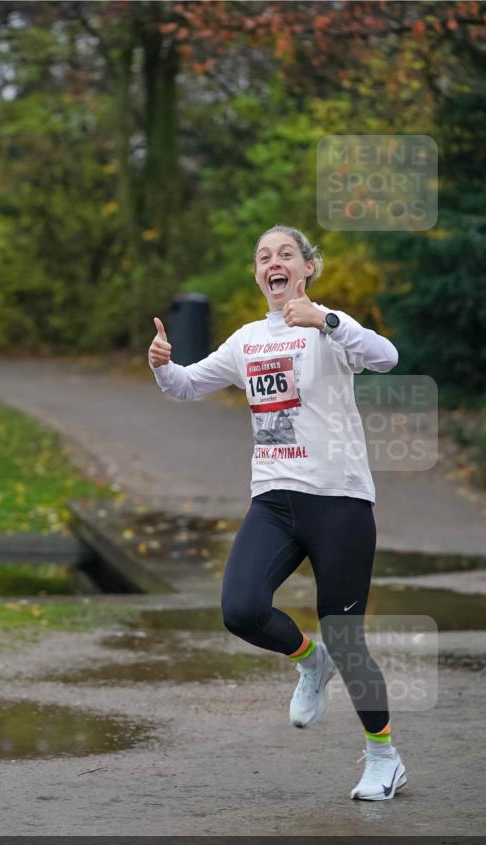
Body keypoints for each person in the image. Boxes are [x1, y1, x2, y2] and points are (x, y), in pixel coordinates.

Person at [148, 224, 405, 802]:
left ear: (307, 267)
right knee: (240, 609)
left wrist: (329, 321)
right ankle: (308, 663)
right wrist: (163, 363)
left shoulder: (329, 328)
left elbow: (387, 358)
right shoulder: (246, 341)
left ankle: (383, 758)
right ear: (258, 274)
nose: (274, 263)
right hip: (274, 499)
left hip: (339, 500)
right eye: (264, 257)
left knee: (348, 637)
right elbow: (186, 386)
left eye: (285, 254)